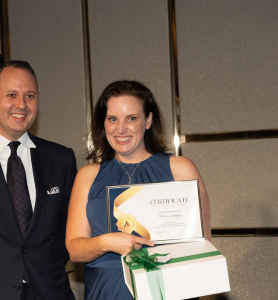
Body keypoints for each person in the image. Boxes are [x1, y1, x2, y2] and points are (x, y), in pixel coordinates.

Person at [66, 80, 211, 300]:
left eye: (131, 118)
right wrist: (107, 242)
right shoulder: (87, 176)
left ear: (148, 120)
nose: (120, 129)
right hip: (106, 293)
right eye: (112, 119)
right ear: (103, 124)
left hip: (168, 292)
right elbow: (75, 250)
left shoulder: (181, 169)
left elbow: (202, 246)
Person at [0, 60, 77, 300]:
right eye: (11, 94)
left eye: (30, 95)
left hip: (51, 292)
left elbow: (72, 231)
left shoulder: (61, 159)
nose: (21, 104)